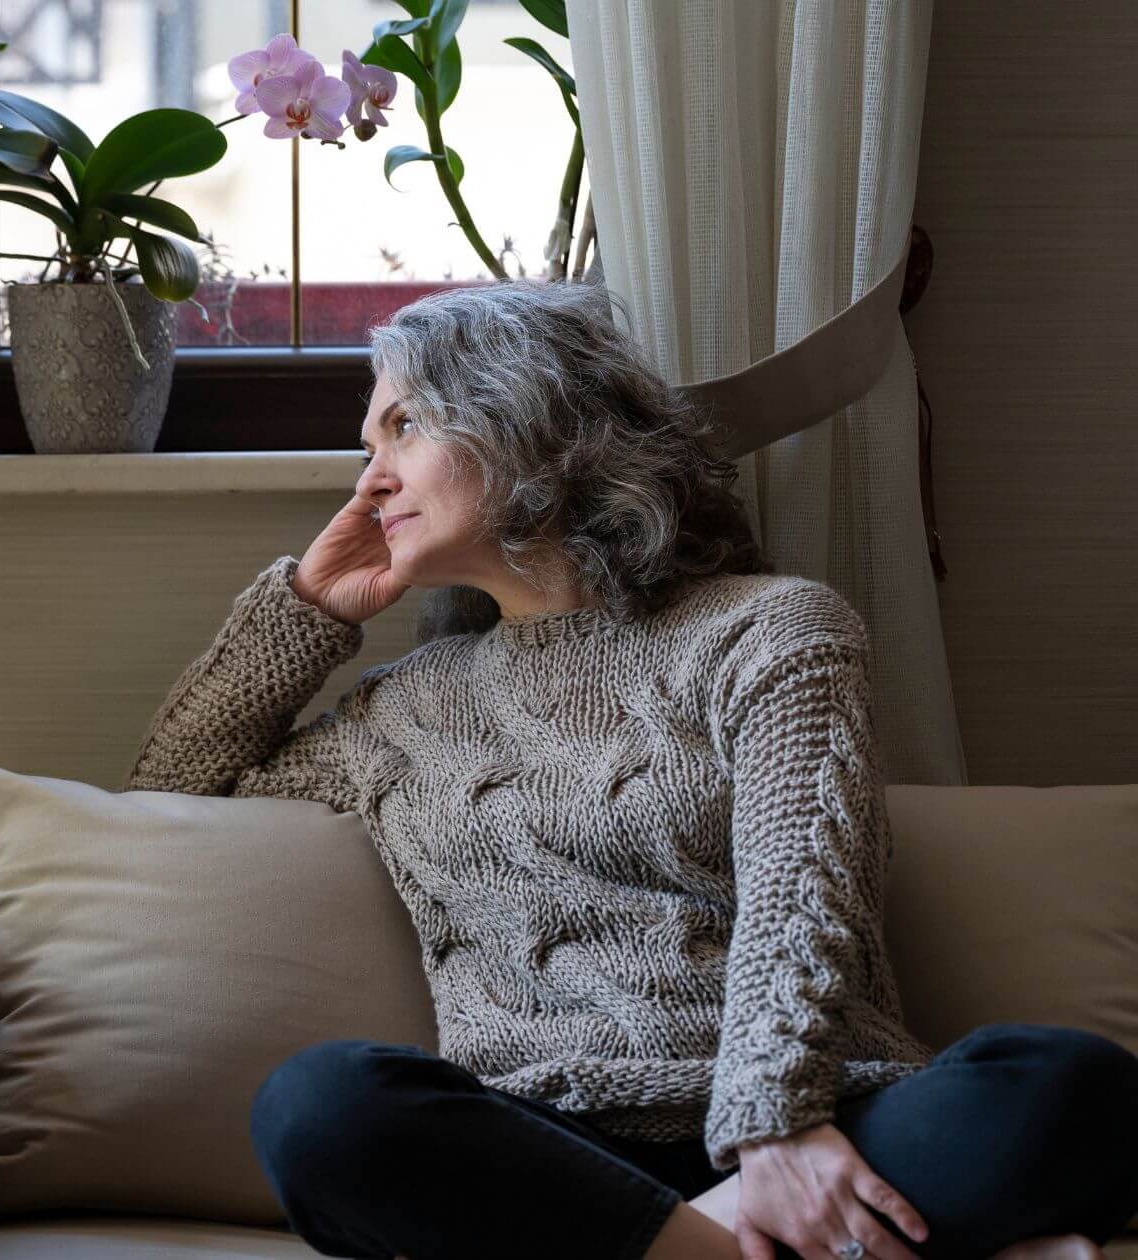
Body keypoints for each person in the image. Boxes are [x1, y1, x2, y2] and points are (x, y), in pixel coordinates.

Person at [123, 281, 1138, 1260]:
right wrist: (306, 607)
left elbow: (802, 899)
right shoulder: (396, 715)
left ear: (523, 419)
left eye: (402, 428)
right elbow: (165, 797)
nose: (367, 479)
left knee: (1069, 1083)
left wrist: (772, 1128)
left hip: (828, 1118)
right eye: (364, 447)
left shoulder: (768, 628)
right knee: (321, 1106)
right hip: (551, 1147)